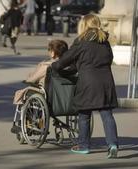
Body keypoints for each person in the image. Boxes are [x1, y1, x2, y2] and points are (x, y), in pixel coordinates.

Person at [52, 14, 119, 158]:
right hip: (106, 82)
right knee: (107, 115)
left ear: (84, 25)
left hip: (88, 83)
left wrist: (55, 66)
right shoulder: (104, 42)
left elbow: (66, 59)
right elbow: (109, 60)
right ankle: (112, 144)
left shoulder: (81, 41)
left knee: (84, 115)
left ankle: (84, 146)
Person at [13, 39, 68, 105]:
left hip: (48, 96)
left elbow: (32, 80)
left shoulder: (47, 66)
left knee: (21, 93)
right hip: (65, 97)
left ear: (53, 53)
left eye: (49, 51)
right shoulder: (69, 67)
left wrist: (28, 79)